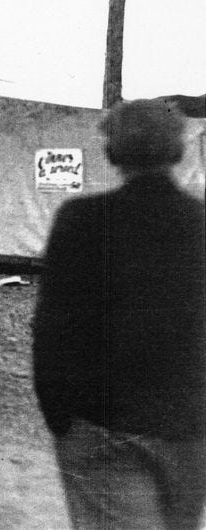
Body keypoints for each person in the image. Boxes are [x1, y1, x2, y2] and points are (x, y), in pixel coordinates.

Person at [33, 99, 206, 530]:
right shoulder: (200, 224)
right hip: (190, 430)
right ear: (179, 151)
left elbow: (52, 329)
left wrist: (60, 416)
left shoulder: (82, 220)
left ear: (111, 153)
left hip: (103, 426)